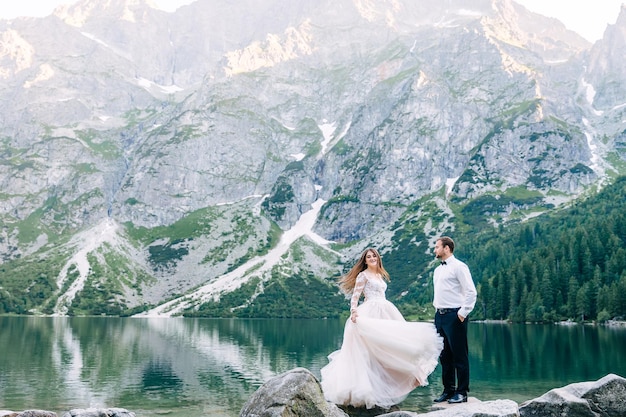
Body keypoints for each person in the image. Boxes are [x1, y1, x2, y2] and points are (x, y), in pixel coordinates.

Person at [320, 247, 443, 409]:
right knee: (369, 352)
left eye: (374, 256)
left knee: (391, 346)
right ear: (364, 260)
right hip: (369, 312)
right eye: (369, 257)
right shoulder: (362, 275)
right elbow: (355, 296)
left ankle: (392, 386)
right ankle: (366, 391)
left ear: (378, 258)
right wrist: (354, 311)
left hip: (385, 311)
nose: (372, 258)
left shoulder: (379, 275)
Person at [431, 236, 477, 404]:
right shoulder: (438, 270)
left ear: (447, 248)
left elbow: (471, 292)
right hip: (440, 316)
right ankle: (448, 390)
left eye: (437, 247)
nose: (435, 250)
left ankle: (462, 392)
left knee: (459, 355)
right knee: (444, 356)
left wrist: (463, 312)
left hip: (455, 315)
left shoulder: (459, 267)